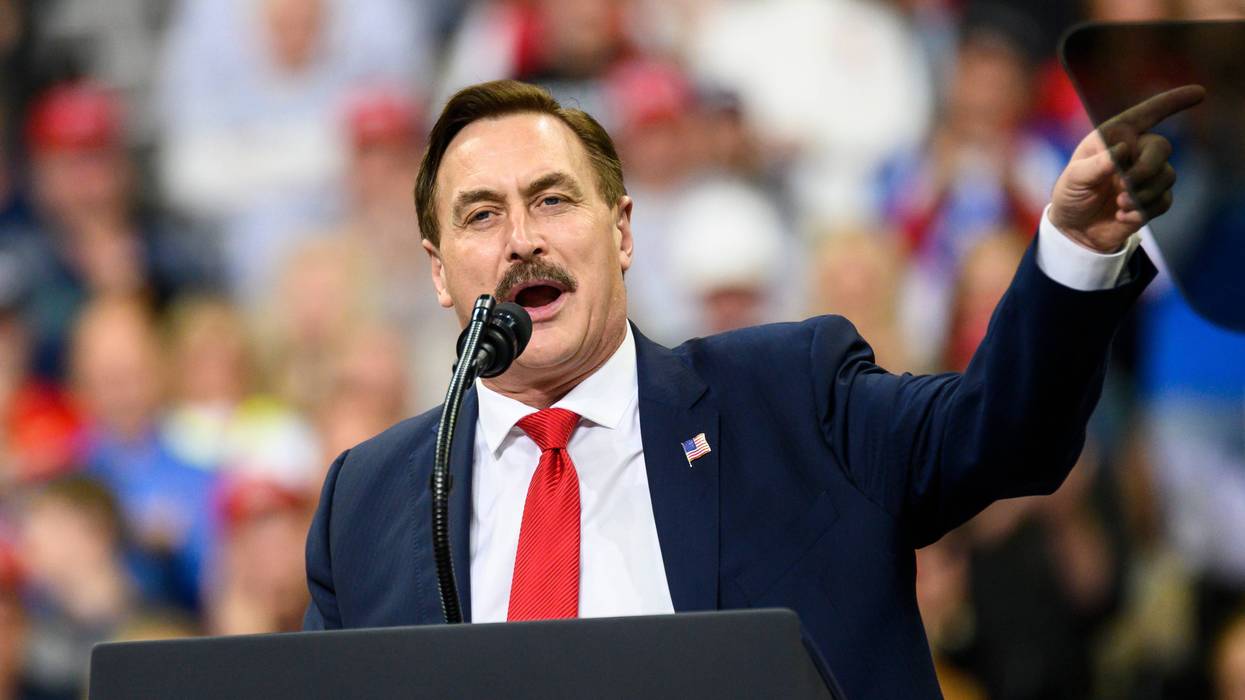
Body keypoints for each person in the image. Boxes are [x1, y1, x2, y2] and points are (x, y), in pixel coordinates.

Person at [303, 79, 1202, 698]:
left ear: (621, 230)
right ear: (437, 270)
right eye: (481, 215)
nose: (520, 241)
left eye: (553, 200)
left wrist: (1074, 248)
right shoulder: (368, 498)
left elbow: (1004, 433)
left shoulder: (789, 400)